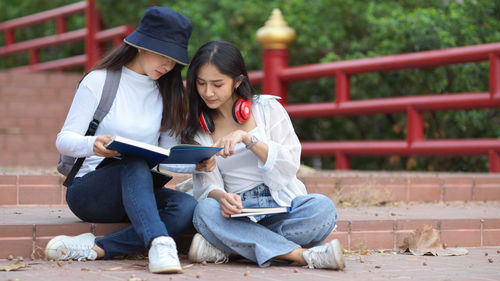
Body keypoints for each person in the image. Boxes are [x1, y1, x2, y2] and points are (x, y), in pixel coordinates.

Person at [45, 7, 201, 274]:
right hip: (91, 192)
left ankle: (97, 248)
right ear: (140, 46)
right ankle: (159, 244)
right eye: (162, 54)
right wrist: (91, 144)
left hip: (138, 193)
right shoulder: (100, 81)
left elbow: (167, 155)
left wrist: (200, 163)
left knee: (186, 207)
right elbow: (64, 140)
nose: (167, 65)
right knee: (135, 161)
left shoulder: (167, 93)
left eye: (174, 59)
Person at [182, 40, 346, 270]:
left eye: (217, 84)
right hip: (237, 213)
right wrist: (221, 198)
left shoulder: (267, 109)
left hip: (282, 205)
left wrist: (248, 139)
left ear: (237, 81)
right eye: (201, 84)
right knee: (204, 212)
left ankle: (233, 248)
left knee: (323, 208)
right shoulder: (199, 130)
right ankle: (302, 256)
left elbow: (289, 166)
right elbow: (207, 185)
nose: (208, 92)